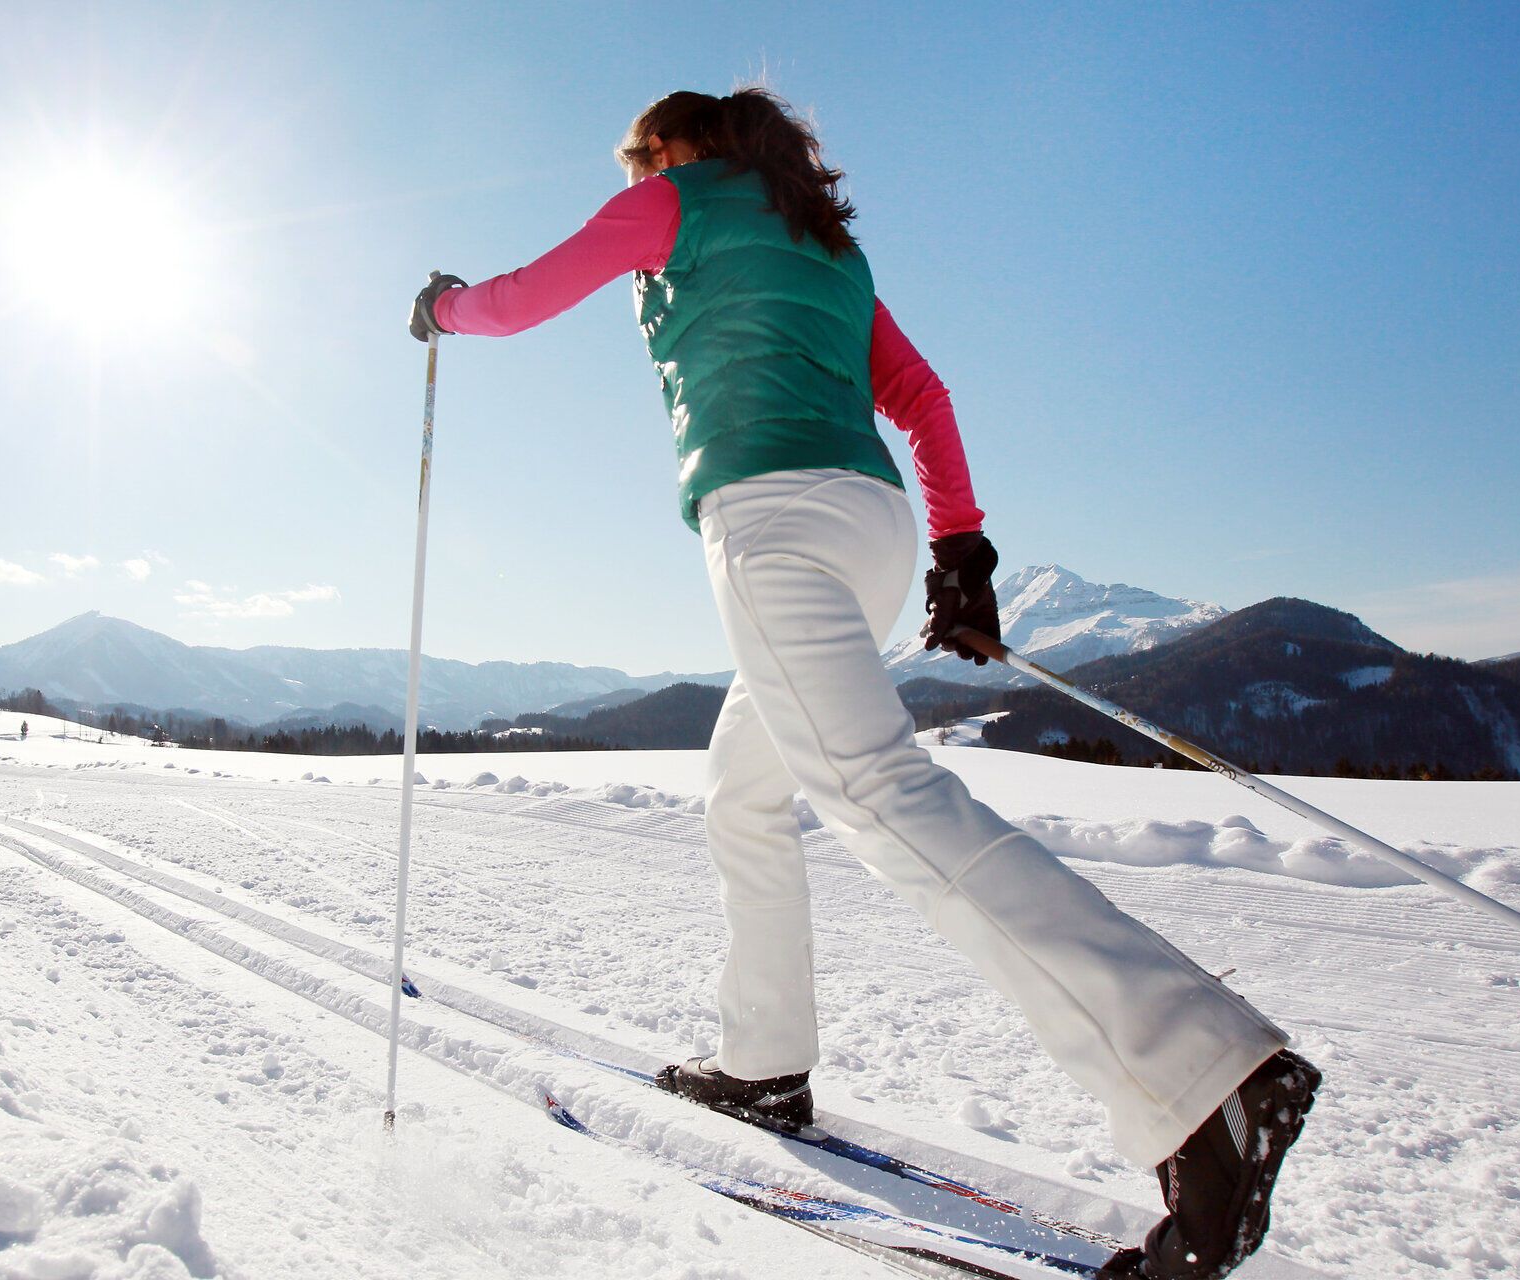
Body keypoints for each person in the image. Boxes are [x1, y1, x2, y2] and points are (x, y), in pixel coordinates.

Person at [409, 88, 1318, 1280]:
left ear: (674, 147)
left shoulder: (672, 204)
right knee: (744, 790)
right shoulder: (825, 243)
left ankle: (1208, 1075)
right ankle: (764, 1061)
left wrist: (445, 306)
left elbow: (524, 297)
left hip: (769, 518)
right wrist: (961, 546)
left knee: (878, 791)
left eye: (641, 160)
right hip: (871, 527)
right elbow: (922, 397)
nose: (635, 180)